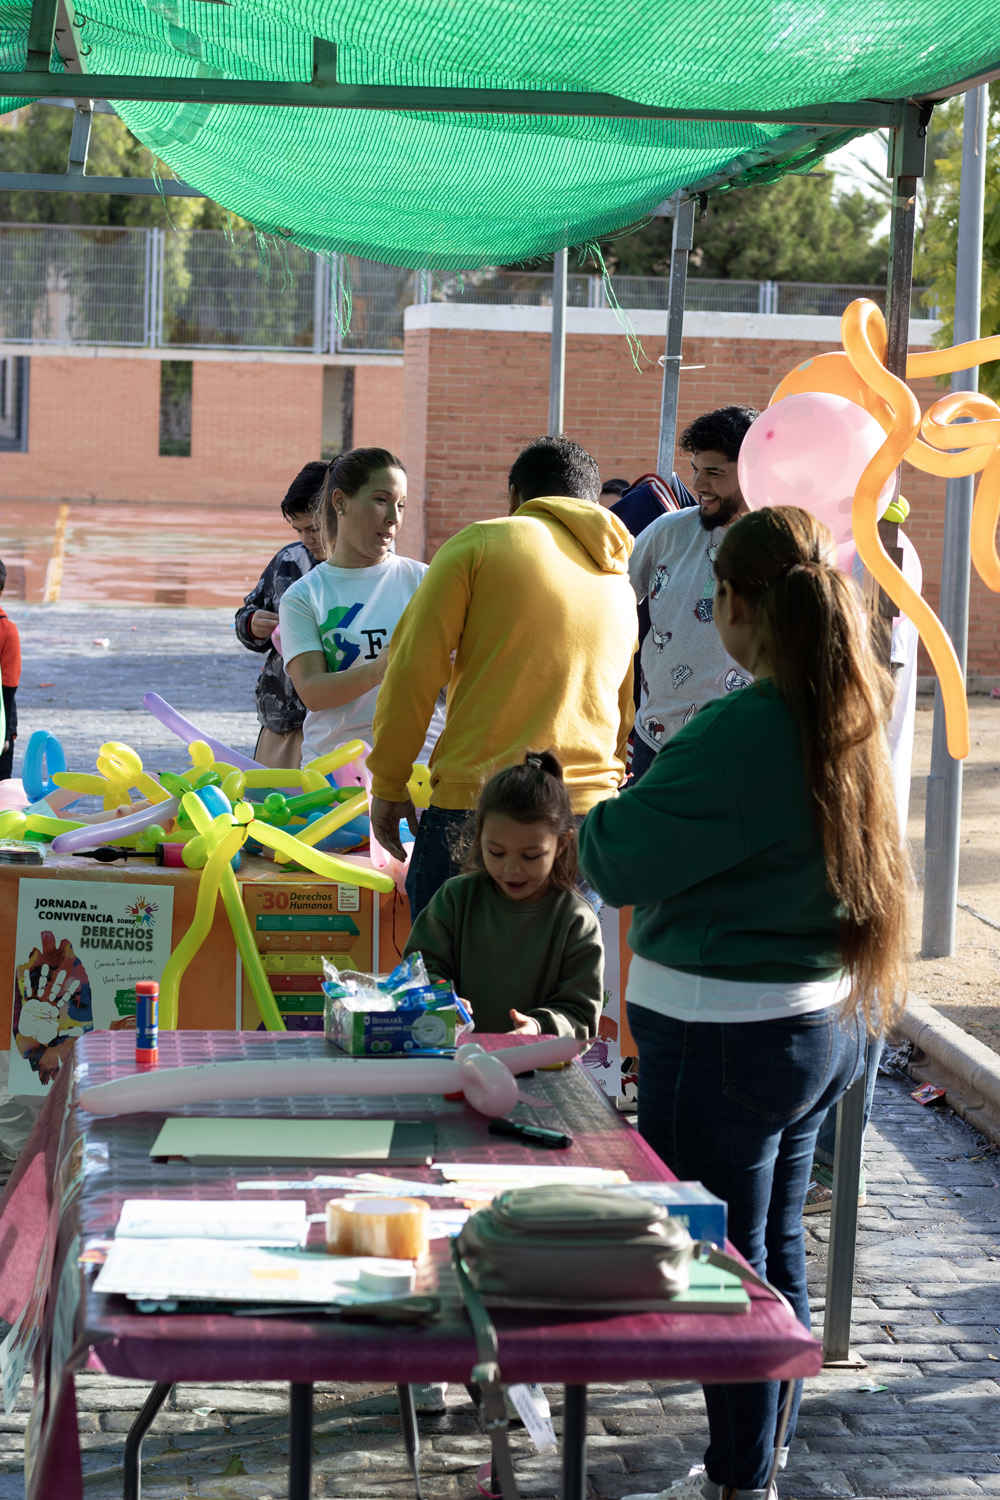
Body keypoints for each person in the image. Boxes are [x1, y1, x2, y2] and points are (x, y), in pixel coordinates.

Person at [578, 506, 909, 1500]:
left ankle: (738, 1478)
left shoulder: (741, 727)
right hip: (823, 1024)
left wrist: (598, 803)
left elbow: (614, 854)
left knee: (721, 1265)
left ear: (734, 604)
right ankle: (757, 1462)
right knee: (768, 1254)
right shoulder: (852, 701)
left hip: (728, 1037)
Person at [366, 435, 638, 920]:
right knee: (560, 985)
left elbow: (412, 668)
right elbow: (622, 708)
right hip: (587, 816)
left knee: (446, 987)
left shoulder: (482, 542)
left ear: (516, 496)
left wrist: (388, 783)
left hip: (480, 806)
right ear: (589, 505)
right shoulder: (617, 578)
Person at [404, 751, 602, 1038]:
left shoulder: (576, 920)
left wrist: (538, 1027)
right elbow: (418, 970)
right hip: (456, 1064)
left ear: (562, 843)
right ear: (479, 835)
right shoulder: (455, 898)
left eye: (531, 855)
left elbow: (581, 1014)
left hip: (540, 1071)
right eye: (496, 852)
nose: (511, 869)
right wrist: (438, 998)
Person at [279, 447, 445, 771]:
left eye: (401, 505)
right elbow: (312, 691)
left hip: (422, 771)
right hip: (338, 775)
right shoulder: (303, 596)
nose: (394, 518)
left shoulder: (427, 580)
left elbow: (453, 688)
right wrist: (378, 670)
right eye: (381, 500)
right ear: (340, 501)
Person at [627, 407, 759, 782]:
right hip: (655, 746)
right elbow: (614, 601)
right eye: (696, 469)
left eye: (714, 472)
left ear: (753, 469)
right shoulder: (667, 530)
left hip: (738, 750)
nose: (699, 484)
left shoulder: (784, 542)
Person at [235, 461, 327, 769]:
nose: (307, 540)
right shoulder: (288, 561)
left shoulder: (368, 572)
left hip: (339, 725)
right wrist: (252, 624)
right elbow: (247, 612)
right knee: (271, 807)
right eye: (299, 530)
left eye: (314, 529)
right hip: (283, 720)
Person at [0, 559, 21, 781]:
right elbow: (9, 685)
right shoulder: (7, 630)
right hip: (0, 720)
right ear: (3, 590)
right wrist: (5, 734)